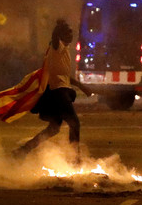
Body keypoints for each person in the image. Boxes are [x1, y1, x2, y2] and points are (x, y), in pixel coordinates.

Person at [12, 19, 92, 159]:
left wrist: (81, 86)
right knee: (74, 123)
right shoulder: (56, 48)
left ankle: (23, 151)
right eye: (67, 33)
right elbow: (54, 38)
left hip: (61, 90)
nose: (71, 36)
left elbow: (63, 74)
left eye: (71, 33)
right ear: (61, 36)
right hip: (58, 92)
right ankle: (75, 158)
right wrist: (57, 28)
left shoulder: (64, 50)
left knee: (54, 128)